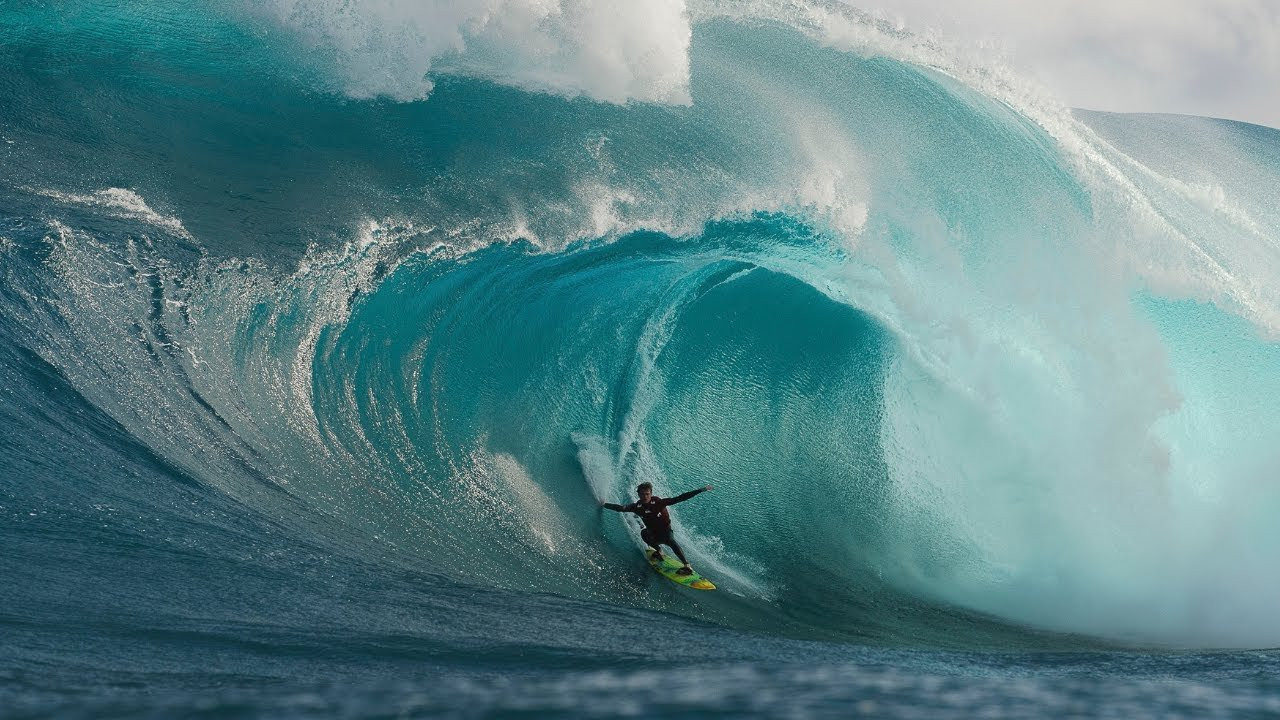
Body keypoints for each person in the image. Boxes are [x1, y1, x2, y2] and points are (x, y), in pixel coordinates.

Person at [602, 482, 713, 576]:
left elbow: (680, 498)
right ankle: (659, 551)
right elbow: (621, 508)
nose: (645, 496)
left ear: (651, 494)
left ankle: (687, 565)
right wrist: (604, 504)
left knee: (670, 540)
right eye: (642, 494)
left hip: (666, 531)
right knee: (644, 533)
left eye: (647, 494)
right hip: (653, 533)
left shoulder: (659, 503)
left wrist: (701, 490)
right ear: (638, 494)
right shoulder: (637, 507)